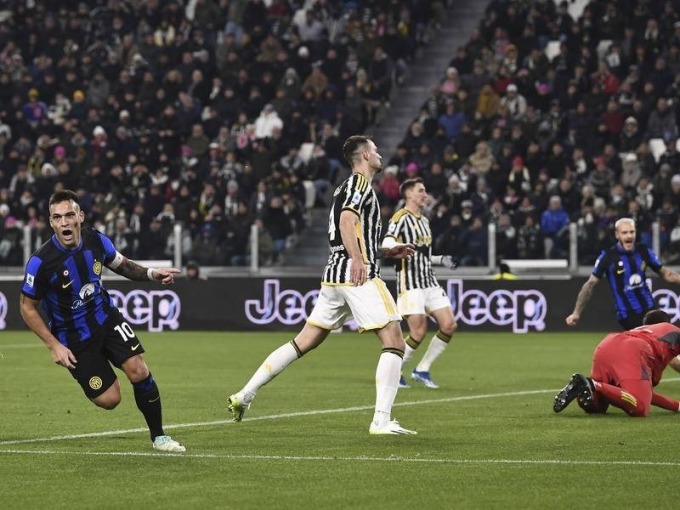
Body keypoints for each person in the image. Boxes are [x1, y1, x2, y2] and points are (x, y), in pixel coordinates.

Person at [227, 135, 417, 435]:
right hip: (356, 273)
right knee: (395, 340)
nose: (380, 154)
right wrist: (358, 260)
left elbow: (354, 232)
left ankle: (244, 395)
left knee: (304, 341)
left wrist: (384, 251)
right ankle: (381, 420)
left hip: (334, 275)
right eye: (376, 150)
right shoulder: (358, 183)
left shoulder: (343, 187)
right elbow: (345, 222)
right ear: (365, 155)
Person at [20, 190, 185, 452]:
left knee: (139, 370)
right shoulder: (41, 262)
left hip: (105, 318)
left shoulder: (96, 239)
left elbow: (124, 266)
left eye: (69, 215)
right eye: (57, 217)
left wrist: (154, 274)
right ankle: (99, 372)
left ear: (80, 217)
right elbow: (27, 307)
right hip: (73, 339)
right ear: (51, 222)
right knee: (110, 399)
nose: (64, 222)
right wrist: (54, 346)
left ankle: (159, 437)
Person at [565, 217, 680, 370]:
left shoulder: (643, 251)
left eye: (631, 232)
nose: (629, 236)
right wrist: (576, 313)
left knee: (670, 345)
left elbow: (666, 274)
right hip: (629, 315)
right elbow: (590, 284)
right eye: (624, 233)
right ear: (617, 235)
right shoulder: (608, 256)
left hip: (651, 310)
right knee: (666, 349)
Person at [380, 178, 458, 389]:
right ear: (409, 195)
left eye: (425, 191)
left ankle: (422, 368)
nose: (425, 195)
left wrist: (441, 259)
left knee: (449, 325)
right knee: (418, 331)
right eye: (421, 191)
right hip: (410, 283)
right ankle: (394, 371)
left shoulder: (424, 221)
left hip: (429, 281)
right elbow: (387, 241)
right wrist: (398, 245)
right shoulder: (401, 217)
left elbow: (425, 255)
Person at [554, 309, 680, 417]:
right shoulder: (672, 331)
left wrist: (677, 406)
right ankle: (593, 384)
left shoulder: (642, 331)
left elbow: (645, 393)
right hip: (632, 350)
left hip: (607, 344)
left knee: (597, 407)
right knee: (640, 408)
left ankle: (583, 385)